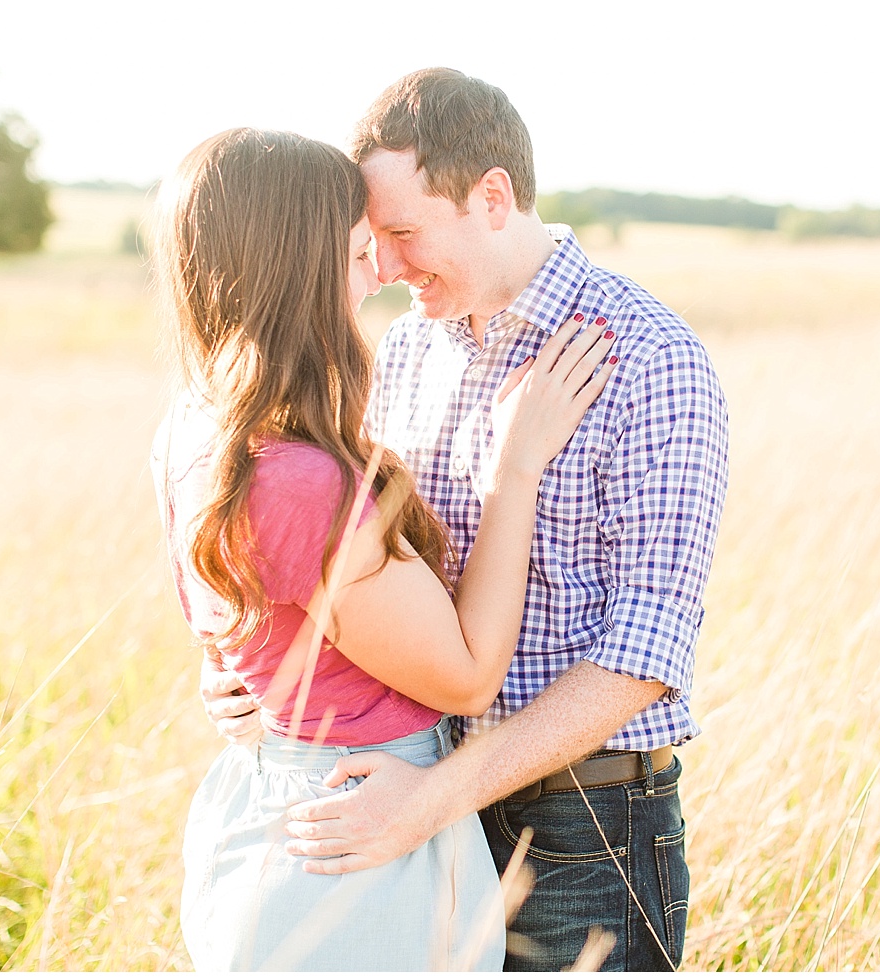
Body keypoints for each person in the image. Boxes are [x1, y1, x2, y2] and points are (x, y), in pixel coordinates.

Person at [204, 68, 730, 971]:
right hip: (414, 805)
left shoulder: (651, 357)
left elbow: (644, 655)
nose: (388, 267)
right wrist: (261, 669)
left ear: (492, 197)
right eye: (375, 239)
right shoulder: (402, 351)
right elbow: (359, 577)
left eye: (406, 234)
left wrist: (433, 797)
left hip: (583, 831)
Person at [152, 127, 616, 971]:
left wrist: (245, 678)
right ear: (298, 260)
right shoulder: (299, 480)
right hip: (354, 838)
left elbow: (256, 629)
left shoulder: (195, 429)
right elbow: (469, 671)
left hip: (271, 804)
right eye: (363, 244)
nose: (384, 269)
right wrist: (513, 470)